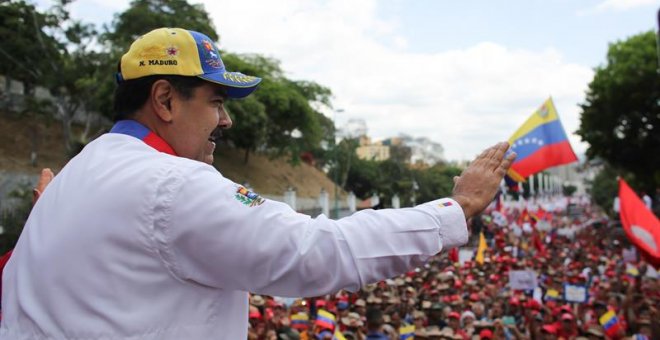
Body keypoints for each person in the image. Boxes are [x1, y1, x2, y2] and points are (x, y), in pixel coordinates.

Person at [0, 27, 515, 339]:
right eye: (217, 103)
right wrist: (458, 207)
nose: (225, 122)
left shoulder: (78, 174)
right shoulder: (172, 184)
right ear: (164, 100)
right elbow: (315, 252)